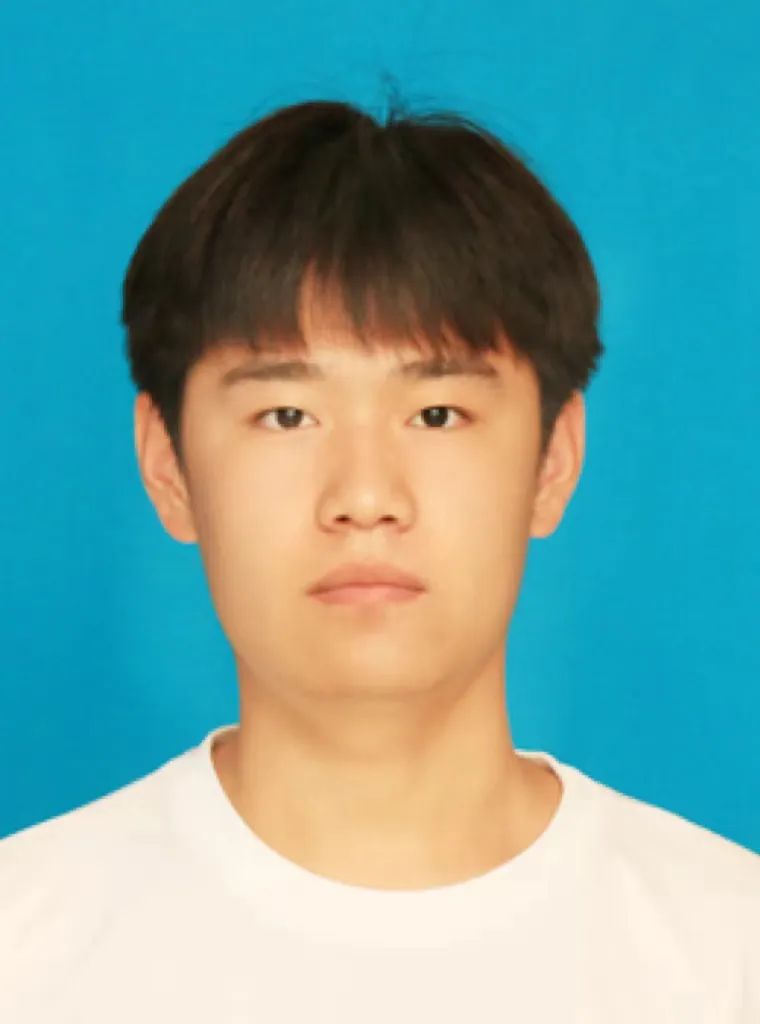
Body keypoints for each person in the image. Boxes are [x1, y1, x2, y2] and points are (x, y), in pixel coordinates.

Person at [1, 96, 758, 1023]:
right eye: (287, 415)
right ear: (168, 466)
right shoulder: (23, 951)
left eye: (437, 414)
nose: (364, 496)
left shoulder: (730, 955)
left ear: (554, 460)